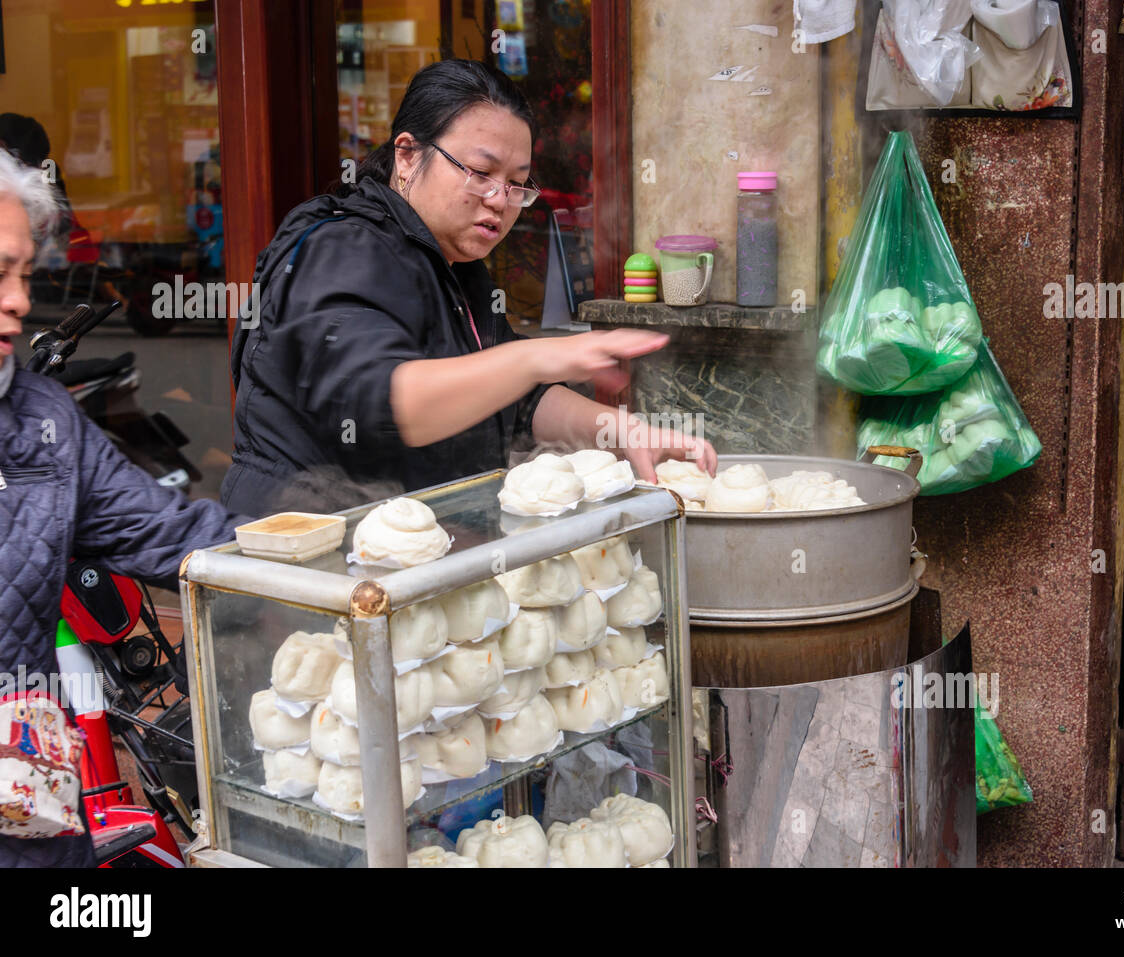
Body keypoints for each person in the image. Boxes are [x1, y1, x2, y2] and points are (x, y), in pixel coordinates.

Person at [222, 59, 715, 517]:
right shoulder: (341, 250)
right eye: (481, 173)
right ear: (408, 155)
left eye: (517, 183)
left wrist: (623, 431)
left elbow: (514, 398)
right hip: (309, 563)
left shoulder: (455, 265)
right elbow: (389, 403)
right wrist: (537, 358)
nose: (501, 200)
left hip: (414, 556)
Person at [0, 149, 240, 867]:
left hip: (31, 818)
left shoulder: (43, 421)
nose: (16, 298)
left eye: (19, 273)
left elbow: (171, 533)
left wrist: (334, 548)